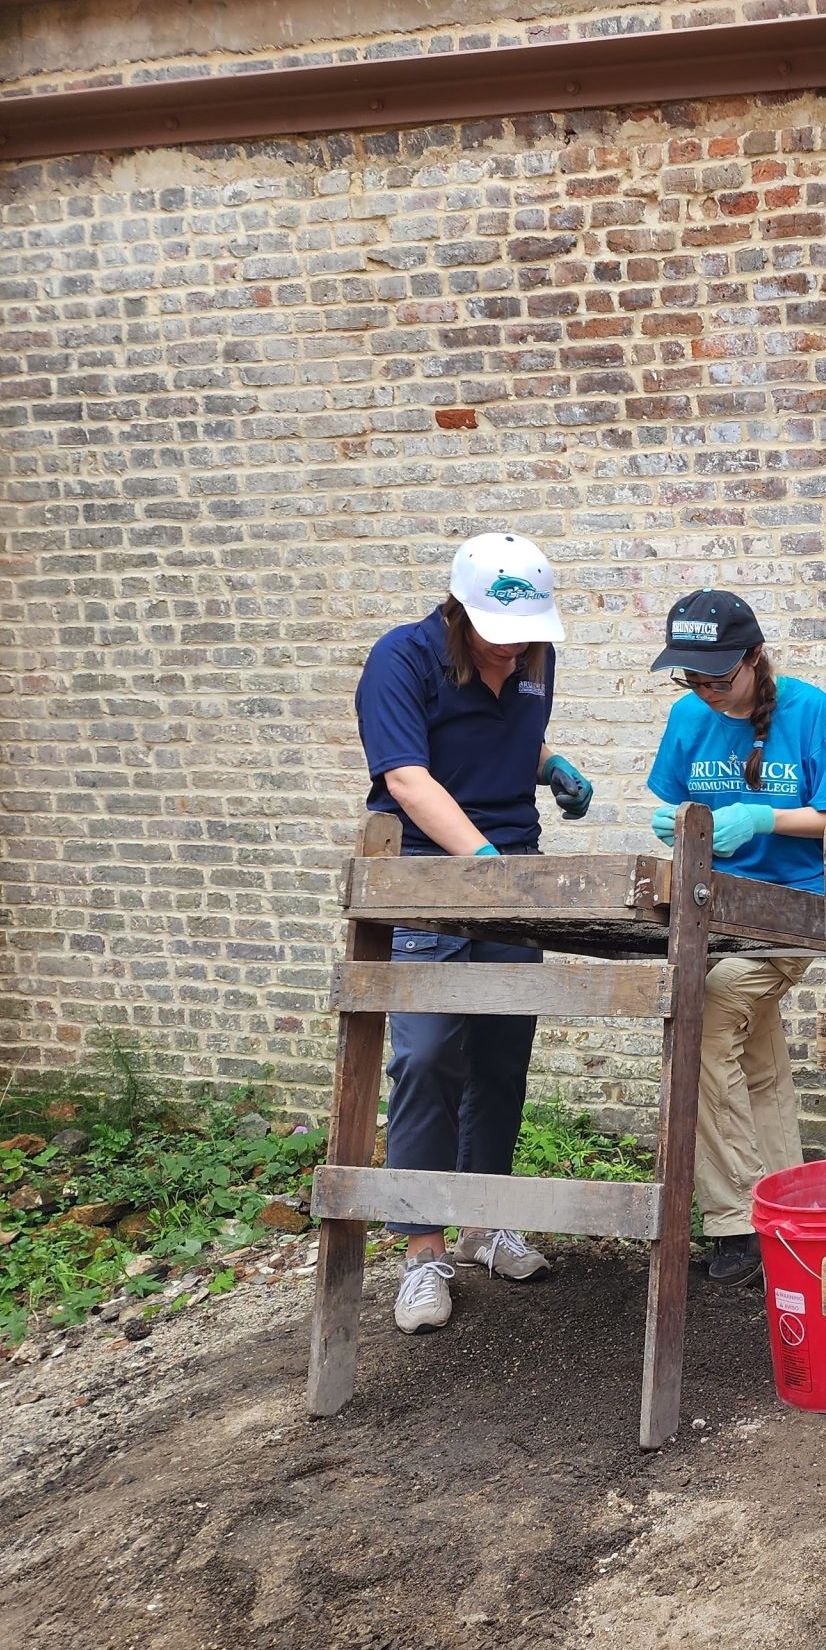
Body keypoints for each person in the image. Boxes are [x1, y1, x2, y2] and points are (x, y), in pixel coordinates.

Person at [356, 532, 594, 1334]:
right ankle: (424, 1254)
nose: (514, 651)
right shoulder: (401, 660)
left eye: (527, 635)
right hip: (428, 879)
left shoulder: (534, 657)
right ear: (458, 612)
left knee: (500, 1057)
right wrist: (483, 864)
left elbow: (502, 741)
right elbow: (407, 775)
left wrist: (550, 765)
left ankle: (487, 1223)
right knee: (427, 1057)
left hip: (511, 874)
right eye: (498, 634)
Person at [646, 589, 826, 1293]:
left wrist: (761, 822)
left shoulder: (809, 709)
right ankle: (792, 1214)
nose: (706, 691)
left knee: (704, 1013)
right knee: (757, 1061)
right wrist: (677, 825)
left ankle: (740, 1220)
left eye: (719, 677)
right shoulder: (686, 717)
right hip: (713, 910)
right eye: (694, 677)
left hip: (792, 914)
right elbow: (670, 800)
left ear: (755, 657)